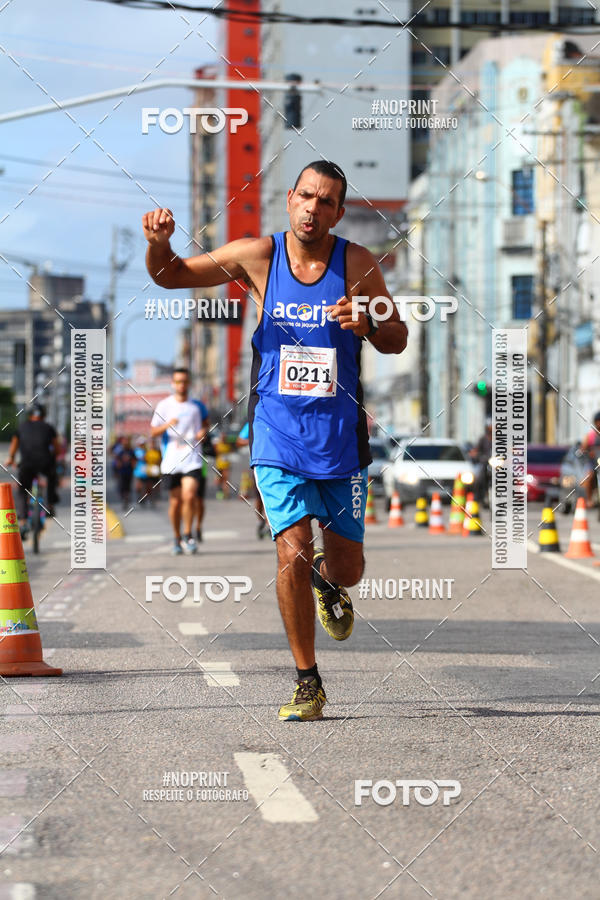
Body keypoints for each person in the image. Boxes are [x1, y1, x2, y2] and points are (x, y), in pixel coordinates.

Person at [143, 159, 407, 720]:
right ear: (290, 199)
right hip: (277, 430)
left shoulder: (357, 264)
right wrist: (158, 244)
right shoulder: (256, 256)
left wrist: (369, 323)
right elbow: (170, 276)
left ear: (338, 213)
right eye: (306, 195)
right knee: (290, 547)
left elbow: (398, 337)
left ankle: (329, 585)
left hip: (339, 437)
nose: (314, 207)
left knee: (348, 567)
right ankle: (307, 680)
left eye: (327, 201)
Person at [150, 367, 209, 555]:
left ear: (188, 383)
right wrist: (168, 424)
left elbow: (206, 425)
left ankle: (187, 534)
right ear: (173, 384)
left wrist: (203, 432)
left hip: (192, 459)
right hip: (171, 460)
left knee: (190, 496)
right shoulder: (164, 406)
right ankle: (176, 537)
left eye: (184, 381)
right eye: (178, 381)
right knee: (175, 503)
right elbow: (153, 431)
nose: (181, 385)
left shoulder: (197, 406)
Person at [4, 403, 60, 533]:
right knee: (52, 477)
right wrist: (53, 457)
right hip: (45, 463)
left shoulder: (21, 427)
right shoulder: (48, 428)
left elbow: (13, 447)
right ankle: (50, 505)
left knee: (23, 489)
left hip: (27, 464)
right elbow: (56, 449)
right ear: (44, 415)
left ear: (30, 416)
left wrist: (11, 459)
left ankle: (23, 521)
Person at [237, 422, 267, 538]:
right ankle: (260, 520)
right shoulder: (253, 421)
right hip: (258, 465)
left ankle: (271, 525)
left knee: (269, 495)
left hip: (277, 465)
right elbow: (239, 441)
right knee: (259, 497)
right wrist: (253, 440)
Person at [190, 397, 210, 541]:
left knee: (199, 500)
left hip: (199, 465)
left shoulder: (197, 406)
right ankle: (187, 529)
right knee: (188, 498)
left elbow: (213, 450)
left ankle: (198, 526)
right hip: (181, 464)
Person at [580, 411, 600, 506]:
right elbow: (583, 449)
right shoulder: (590, 436)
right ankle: (589, 499)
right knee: (589, 476)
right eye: (598, 421)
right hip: (593, 463)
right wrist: (588, 452)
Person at [113, 435, 135, 509]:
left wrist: (133, 465)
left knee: (128, 486)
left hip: (129, 471)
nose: (126, 442)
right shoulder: (120, 450)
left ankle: (126, 498)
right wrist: (117, 468)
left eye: (127, 441)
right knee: (122, 486)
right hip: (121, 472)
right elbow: (116, 459)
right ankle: (123, 497)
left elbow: (134, 459)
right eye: (124, 441)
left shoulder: (131, 451)